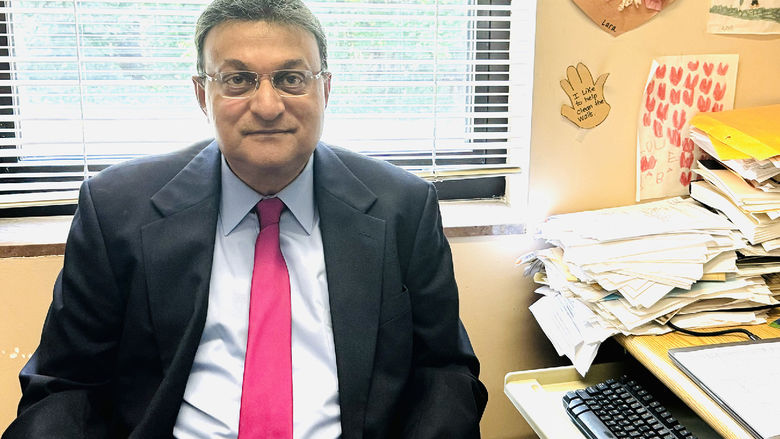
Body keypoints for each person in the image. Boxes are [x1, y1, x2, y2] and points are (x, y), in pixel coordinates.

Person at [2, 0, 487, 437]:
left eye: (291, 79)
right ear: (201, 94)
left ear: (326, 89)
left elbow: (444, 373)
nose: (268, 105)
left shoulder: (403, 207)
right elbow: (66, 387)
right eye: (237, 80)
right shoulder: (115, 209)